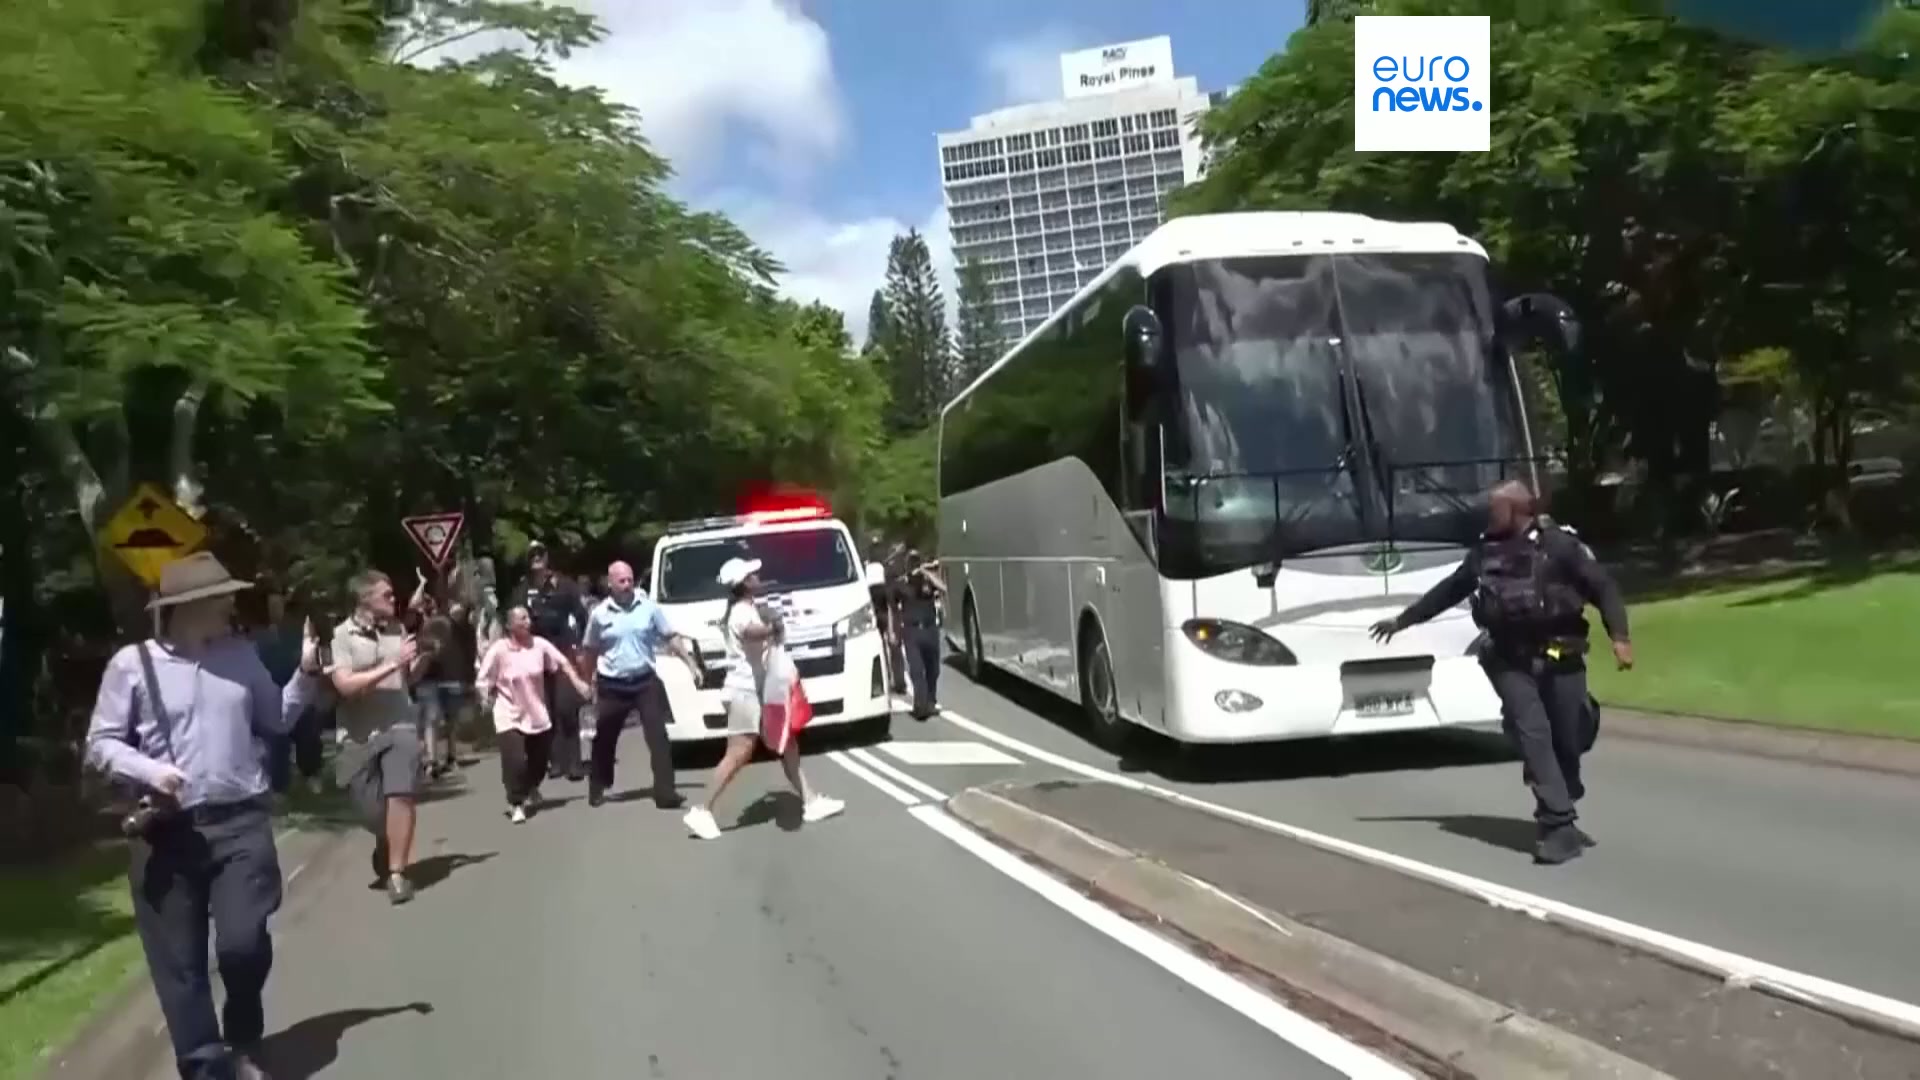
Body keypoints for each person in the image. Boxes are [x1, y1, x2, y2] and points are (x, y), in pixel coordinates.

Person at [85, 553, 326, 1080]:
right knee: (180, 966)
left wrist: (306, 676)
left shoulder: (242, 656)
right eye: (223, 598)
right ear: (189, 608)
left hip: (241, 822)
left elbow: (278, 719)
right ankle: (204, 1067)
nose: (232, 606)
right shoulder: (133, 664)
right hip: (167, 830)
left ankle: (242, 1036)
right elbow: (100, 744)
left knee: (243, 944)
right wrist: (149, 770)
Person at [1369, 480, 1634, 865]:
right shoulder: (1484, 552)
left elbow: (1603, 587)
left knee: (1568, 733)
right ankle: (1558, 824)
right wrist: (1403, 620)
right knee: (1533, 732)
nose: (1488, 514)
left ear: (1519, 509)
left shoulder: (1560, 547)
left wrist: (1620, 636)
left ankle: (1563, 778)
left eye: (1495, 508)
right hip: (1508, 659)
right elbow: (1451, 589)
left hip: (1562, 656)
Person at [682, 558, 845, 841]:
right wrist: (772, 628)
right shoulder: (741, 612)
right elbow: (749, 633)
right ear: (744, 583)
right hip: (744, 692)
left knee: (787, 740)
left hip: (758, 690)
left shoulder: (747, 608)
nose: (758, 576)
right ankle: (701, 810)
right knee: (739, 752)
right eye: (752, 574)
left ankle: (811, 800)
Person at [329, 569, 430, 905]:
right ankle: (387, 840)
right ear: (364, 599)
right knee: (371, 812)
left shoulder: (397, 629)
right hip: (360, 734)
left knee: (400, 794)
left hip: (400, 724)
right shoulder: (342, 636)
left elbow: (406, 677)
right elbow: (345, 686)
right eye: (386, 595)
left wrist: (423, 659)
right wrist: (392, 663)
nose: (394, 599)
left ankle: (398, 875)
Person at [578, 560, 701, 808]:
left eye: (630, 580)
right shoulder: (600, 615)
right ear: (610, 583)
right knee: (604, 738)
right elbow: (589, 650)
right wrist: (587, 682)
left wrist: (690, 663)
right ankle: (599, 784)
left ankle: (666, 792)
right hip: (612, 685)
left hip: (645, 681)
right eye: (621, 581)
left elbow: (670, 637)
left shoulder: (648, 608)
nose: (626, 585)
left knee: (658, 737)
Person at [476, 605, 593, 823]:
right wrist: (485, 697)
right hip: (507, 712)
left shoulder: (539, 645)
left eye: (528, 617)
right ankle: (516, 803)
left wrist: (578, 683)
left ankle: (530, 787)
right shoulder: (500, 650)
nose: (528, 621)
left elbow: (562, 662)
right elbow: (483, 678)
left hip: (536, 713)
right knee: (515, 760)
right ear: (510, 626)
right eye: (521, 618)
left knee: (539, 762)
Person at [508, 541, 589, 783]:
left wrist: (581, 645)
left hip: (562, 649)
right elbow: (514, 619)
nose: (536, 559)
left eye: (540, 554)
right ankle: (556, 761)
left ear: (547, 557)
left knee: (566, 706)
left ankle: (574, 762)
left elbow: (581, 615)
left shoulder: (564, 585)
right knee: (546, 709)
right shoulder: (523, 589)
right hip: (535, 653)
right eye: (532, 555)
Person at [896, 549, 946, 720]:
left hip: (930, 629)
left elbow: (943, 588)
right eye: (912, 562)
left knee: (933, 670)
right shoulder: (902, 584)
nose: (914, 565)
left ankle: (930, 701)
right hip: (911, 631)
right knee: (917, 670)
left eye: (917, 561)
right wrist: (893, 631)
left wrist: (926, 572)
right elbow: (892, 607)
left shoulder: (927, 581)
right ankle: (920, 706)